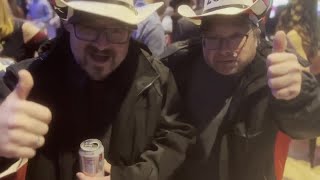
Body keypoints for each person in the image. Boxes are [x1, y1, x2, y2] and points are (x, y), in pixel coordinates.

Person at [0, 0, 195, 179]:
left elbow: (176, 135)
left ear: (130, 31)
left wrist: (129, 177)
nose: (102, 44)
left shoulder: (156, 79)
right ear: (69, 25)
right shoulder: (26, 82)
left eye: (116, 30)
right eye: (89, 27)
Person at [162, 0, 320, 180]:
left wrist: (296, 98)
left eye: (236, 36)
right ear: (202, 38)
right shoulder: (178, 65)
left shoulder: (273, 69)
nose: (224, 50)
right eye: (214, 38)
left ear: (256, 34)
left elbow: (311, 123)